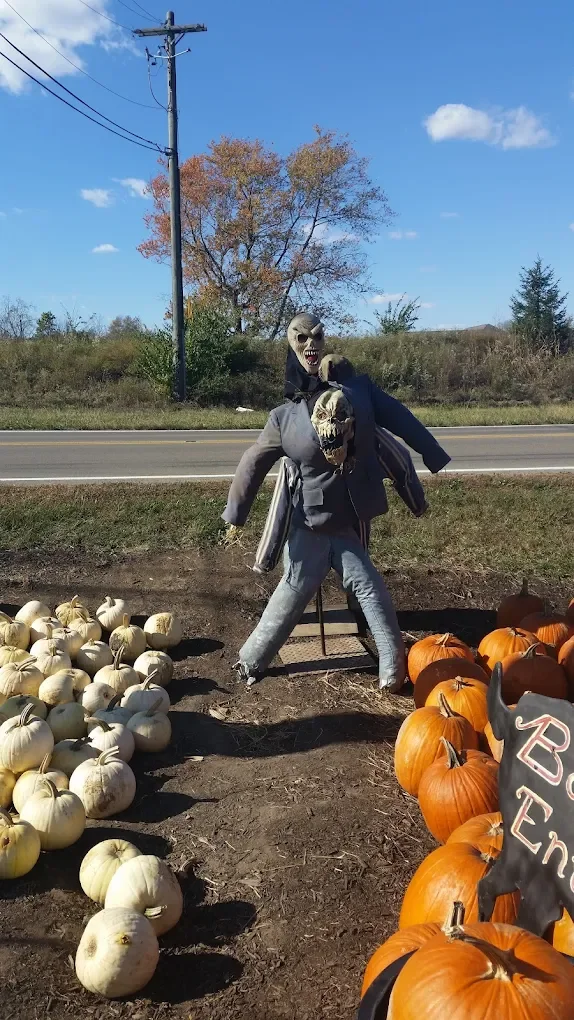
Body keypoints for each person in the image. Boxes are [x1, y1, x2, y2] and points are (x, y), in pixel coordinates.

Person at [222, 312, 450, 691]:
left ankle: (392, 672)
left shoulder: (359, 393)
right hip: (308, 524)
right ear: (290, 343)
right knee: (291, 594)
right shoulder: (283, 417)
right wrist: (236, 513)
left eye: (317, 337)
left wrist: (432, 454)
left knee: (370, 589)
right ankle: (250, 660)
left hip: (347, 522)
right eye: (301, 338)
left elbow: (400, 422)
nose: (310, 345)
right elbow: (254, 461)